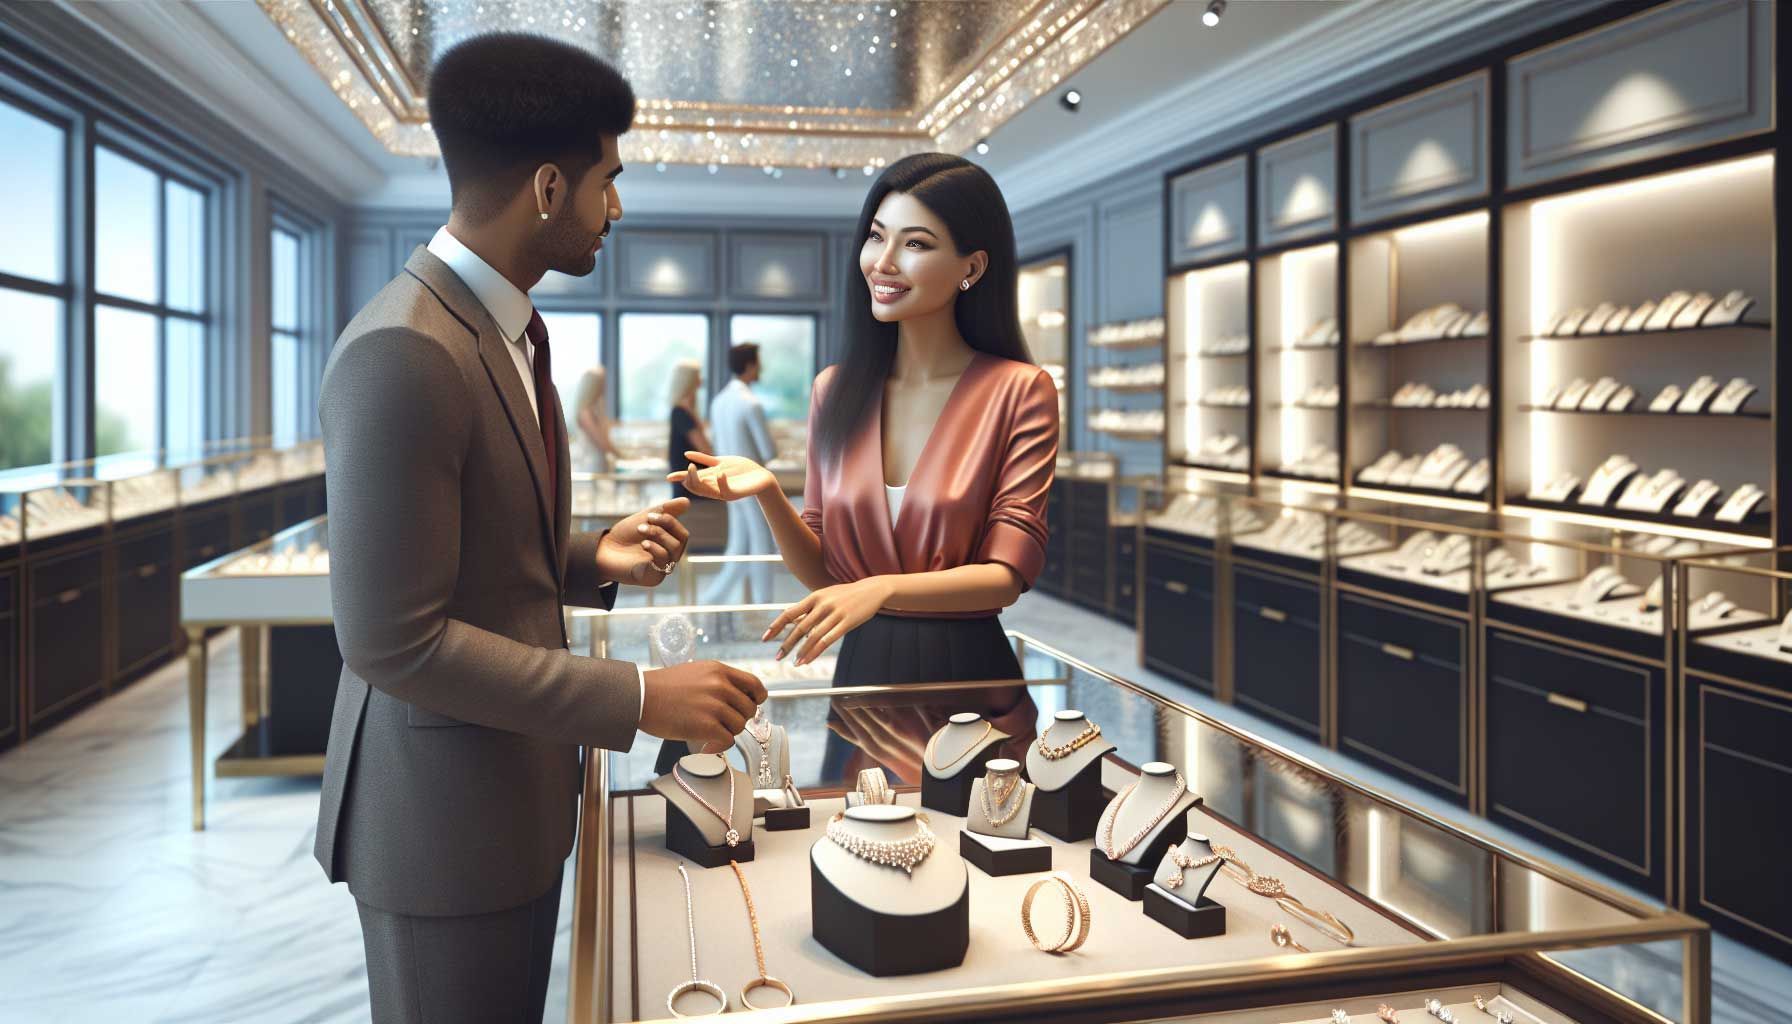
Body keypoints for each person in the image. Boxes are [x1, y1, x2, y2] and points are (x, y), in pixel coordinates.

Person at [314, 34, 765, 1024]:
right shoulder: (405, 349)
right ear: (551, 187)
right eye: (609, 180)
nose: (619, 207)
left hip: (509, 791)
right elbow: (396, 638)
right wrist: (642, 695)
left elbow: (478, 535)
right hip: (439, 819)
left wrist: (587, 554)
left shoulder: (509, 329)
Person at [672, 151, 1055, 723]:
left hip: (970, 678)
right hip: (864, 670)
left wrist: (879, 589)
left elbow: (1004, 577)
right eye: (877, 237)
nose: (884, 262)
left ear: (971, 267)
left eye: (916, 244)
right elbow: (827, 573)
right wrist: (770, 492)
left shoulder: (1021, 390)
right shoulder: (834, 390)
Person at [699, 342, 778, 605]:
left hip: (727, 480)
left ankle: (712, 600)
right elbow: (768, 451)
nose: (762, 368)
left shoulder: (719, 400)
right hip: (751, 483)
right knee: (761, 545)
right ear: (751, 364)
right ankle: (763, 606)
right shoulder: (750, 404)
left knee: (740, 545)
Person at [666, 358, 711, 501]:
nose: (701, 380)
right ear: (689, 380)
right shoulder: (681, 412)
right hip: (689, 484)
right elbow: (704, 450)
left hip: (690, 481)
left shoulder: (684, 410)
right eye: (698, 375)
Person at [568, 363, 618, 473]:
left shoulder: (594, 410)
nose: (605, 387)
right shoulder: (585, 413)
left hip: (597, 464)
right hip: (589, 466)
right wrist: (623, 455)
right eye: (602, 383)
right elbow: (602, 442)